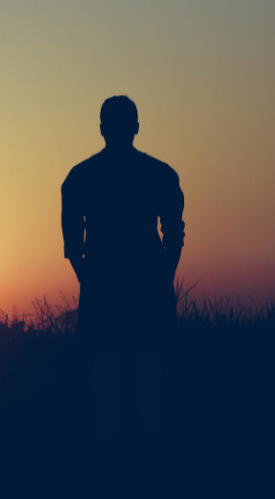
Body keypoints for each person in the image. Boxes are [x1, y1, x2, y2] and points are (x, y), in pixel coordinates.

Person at [61, 95, 184, 443]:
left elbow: (73, 244)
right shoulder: (160, 173)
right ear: (136, 128)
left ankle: (109, 450)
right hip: (147, 281)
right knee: (148, 366)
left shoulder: (80, 176)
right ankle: (148, 448)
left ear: (101, 129)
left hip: (106, 281)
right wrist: (164, 277)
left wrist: (90, 280)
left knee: (107, 365)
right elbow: (174, 235)